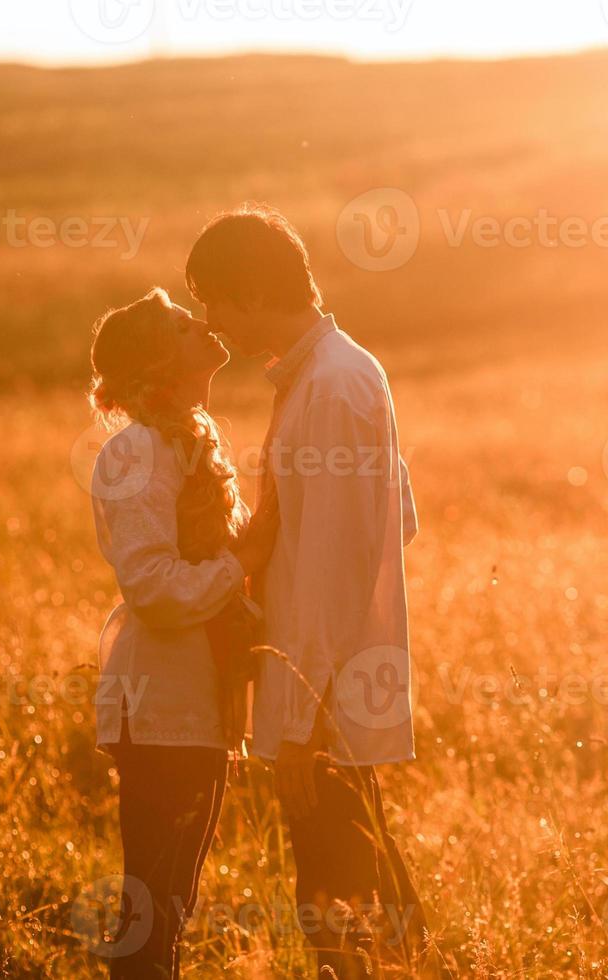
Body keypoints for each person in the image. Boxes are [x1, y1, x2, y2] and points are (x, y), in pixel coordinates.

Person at [185, 204, 432, 978]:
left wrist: (304, 711)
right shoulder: (337, 371)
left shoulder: (329, 387)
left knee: (334, 906)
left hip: (319, 698)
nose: (211, 324)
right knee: (363, 887)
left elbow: (336, 561)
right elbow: (398, 521)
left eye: (213, 301)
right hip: (327, 684)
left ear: (253, 294)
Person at [87, 287, 278, 979]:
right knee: (153, 913)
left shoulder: (191, 439)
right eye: (179, 323)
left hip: (196, 707)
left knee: (171, 904)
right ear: (160, 361)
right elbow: (154, 590)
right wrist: (243, 561)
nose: (202, 321)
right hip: (162, 707)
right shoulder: (137, 451)